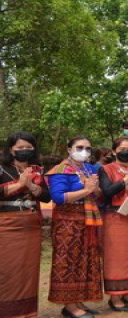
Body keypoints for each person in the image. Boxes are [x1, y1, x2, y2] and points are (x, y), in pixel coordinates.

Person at [45, 136, 103, 318]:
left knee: (85, 261)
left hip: (86, 220)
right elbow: (58, 197)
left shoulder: (89, 168)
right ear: (69, 149)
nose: (84, 151)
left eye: (88, 148)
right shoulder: (61, 170)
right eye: (80, 147)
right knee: (69, 262)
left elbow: (98, 194)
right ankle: (69, 306)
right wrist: (86, 190)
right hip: (67, 223)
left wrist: (94, 189)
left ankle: (78, 301)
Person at [0, 132, 50, 318]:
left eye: (29, 148)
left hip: (30, 225)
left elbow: (46, 196)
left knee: (28, 271)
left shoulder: (36, 170)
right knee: (7, 270)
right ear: (11, 149)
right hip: (6, 226)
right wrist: (20, 183)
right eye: (20, 148)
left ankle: (27, 312)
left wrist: (30, 186)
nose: (24, 151)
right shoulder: (2, 168)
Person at [99, 137, 128, 312]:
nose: (126, 151)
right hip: (114, 217)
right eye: (122, 148)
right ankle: (115, 297)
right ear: (115, 151)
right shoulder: (105, 169)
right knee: (116, 257)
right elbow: (107, 191)